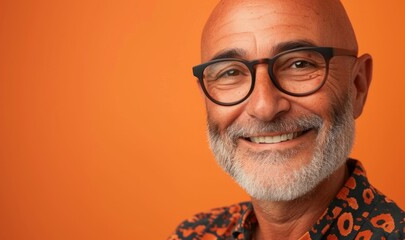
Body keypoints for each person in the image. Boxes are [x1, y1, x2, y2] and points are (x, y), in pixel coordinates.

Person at [168, 0, 405, 239]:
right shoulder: (194, 233)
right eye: (230, 72)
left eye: (299, 64)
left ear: (357, 86)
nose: (264, 107)